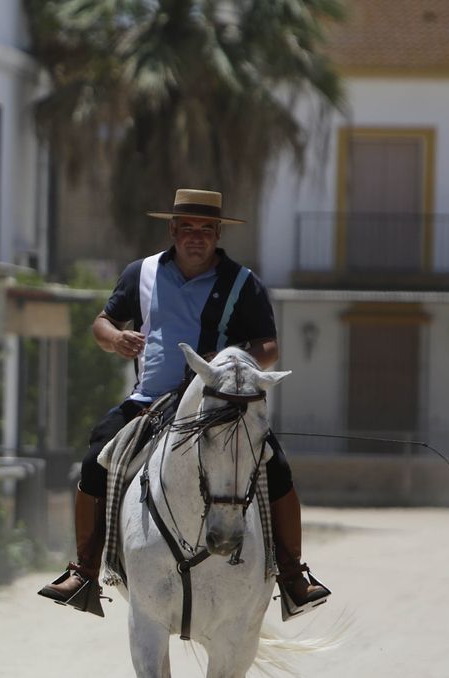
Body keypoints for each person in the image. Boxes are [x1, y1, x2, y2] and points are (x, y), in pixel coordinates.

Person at [37, 188, 331, 617]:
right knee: (95, 457)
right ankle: (83, 571)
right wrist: (116, 338)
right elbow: (102, 323)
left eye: (206, 230)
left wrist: (233, 358)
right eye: (188, 228)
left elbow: (268, 347)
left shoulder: (242, 282)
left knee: (276, 465)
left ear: (217, 234)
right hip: (149, 402)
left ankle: (292, 575)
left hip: (218, 405)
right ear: (173, 230)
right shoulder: (142, 272)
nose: (197, 237)